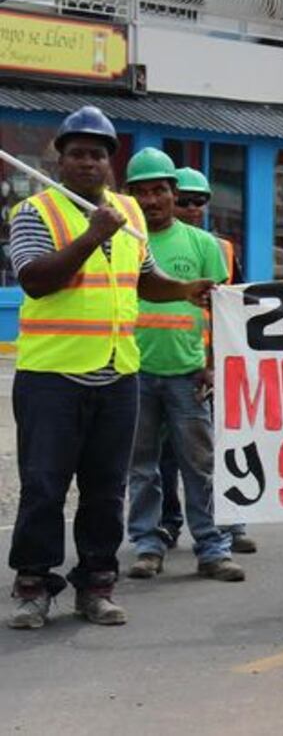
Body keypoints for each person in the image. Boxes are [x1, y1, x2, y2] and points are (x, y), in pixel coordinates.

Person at [7, 106, 214, 629]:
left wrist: (186, 290)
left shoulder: (129, 212)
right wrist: (90, 235)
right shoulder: (36, 212)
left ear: (109, 162)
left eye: (97, 154)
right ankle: (34, 586)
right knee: (44, 488)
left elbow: (145, 280)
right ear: (61, 159)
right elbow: (35, 280)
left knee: (106, 490)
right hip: (51, 378)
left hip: (119, 374)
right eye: (77, 153)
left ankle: (96, 585)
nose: (87, 163)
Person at [122, 148, 244, 583]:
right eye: (141, 192)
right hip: (133, 373)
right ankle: (148, 545)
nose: (152, 200)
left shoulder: (204, 245)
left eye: (160, 190)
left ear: (174, 193)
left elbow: (223, 311)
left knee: (200, 465)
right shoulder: (123, 241)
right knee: (142, 466)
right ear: (128, 196)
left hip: (188, 374)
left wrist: (213, 366)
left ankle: (212, 547)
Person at [157, 166, 256, 555]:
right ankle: (168, 523)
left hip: (207, 364)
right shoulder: (145, 242)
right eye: (185, 200)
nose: (193, 208)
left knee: (214, 449)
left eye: (200, 201)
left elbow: (233, 307)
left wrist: (224, 361)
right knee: (163, 455)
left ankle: (231, 522)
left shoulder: (221, 248)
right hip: (163, 360)